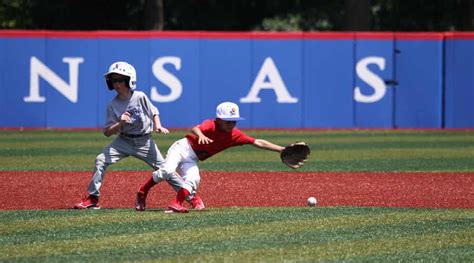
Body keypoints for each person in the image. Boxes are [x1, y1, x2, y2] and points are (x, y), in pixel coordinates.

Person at [135, 101, 286, 213]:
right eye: (228, 121)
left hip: (192, 158)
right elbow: (195, 128)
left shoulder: (235, 135)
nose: (231, 125)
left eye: (234, 121)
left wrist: (281, 149)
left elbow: (257, 142)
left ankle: (176, 204)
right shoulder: (211, 125)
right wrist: (200, 135)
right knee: (167, 171)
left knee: (194, 179)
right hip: (182, 148)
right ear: (219, 119)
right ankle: (142, 191)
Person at [74, 61, 182, 209]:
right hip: (123, 142)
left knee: (165, 169)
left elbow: (154, 111)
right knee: (100, 160)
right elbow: (107, 132)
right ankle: (92, 197)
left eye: (120, 79)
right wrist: (120, 124)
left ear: (129, 80)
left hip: (144, 141)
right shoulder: (112, 105)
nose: (116, 83)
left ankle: (190, 196)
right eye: (113, 80)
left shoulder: (139, 96)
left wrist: (158, 126)